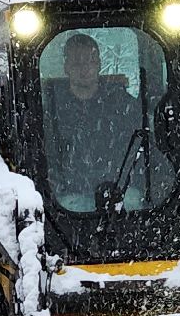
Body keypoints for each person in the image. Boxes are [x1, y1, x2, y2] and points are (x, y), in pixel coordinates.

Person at [45, 33, 147, 212]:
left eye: (90, 61)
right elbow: (47, 159)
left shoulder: (123, 105)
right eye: (77, 62)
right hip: (70, 199)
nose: (84, 68)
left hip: (120, 192)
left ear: (98, 64)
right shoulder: (52, 112)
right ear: (66, 67)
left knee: (136, 204)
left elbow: (141, 147)